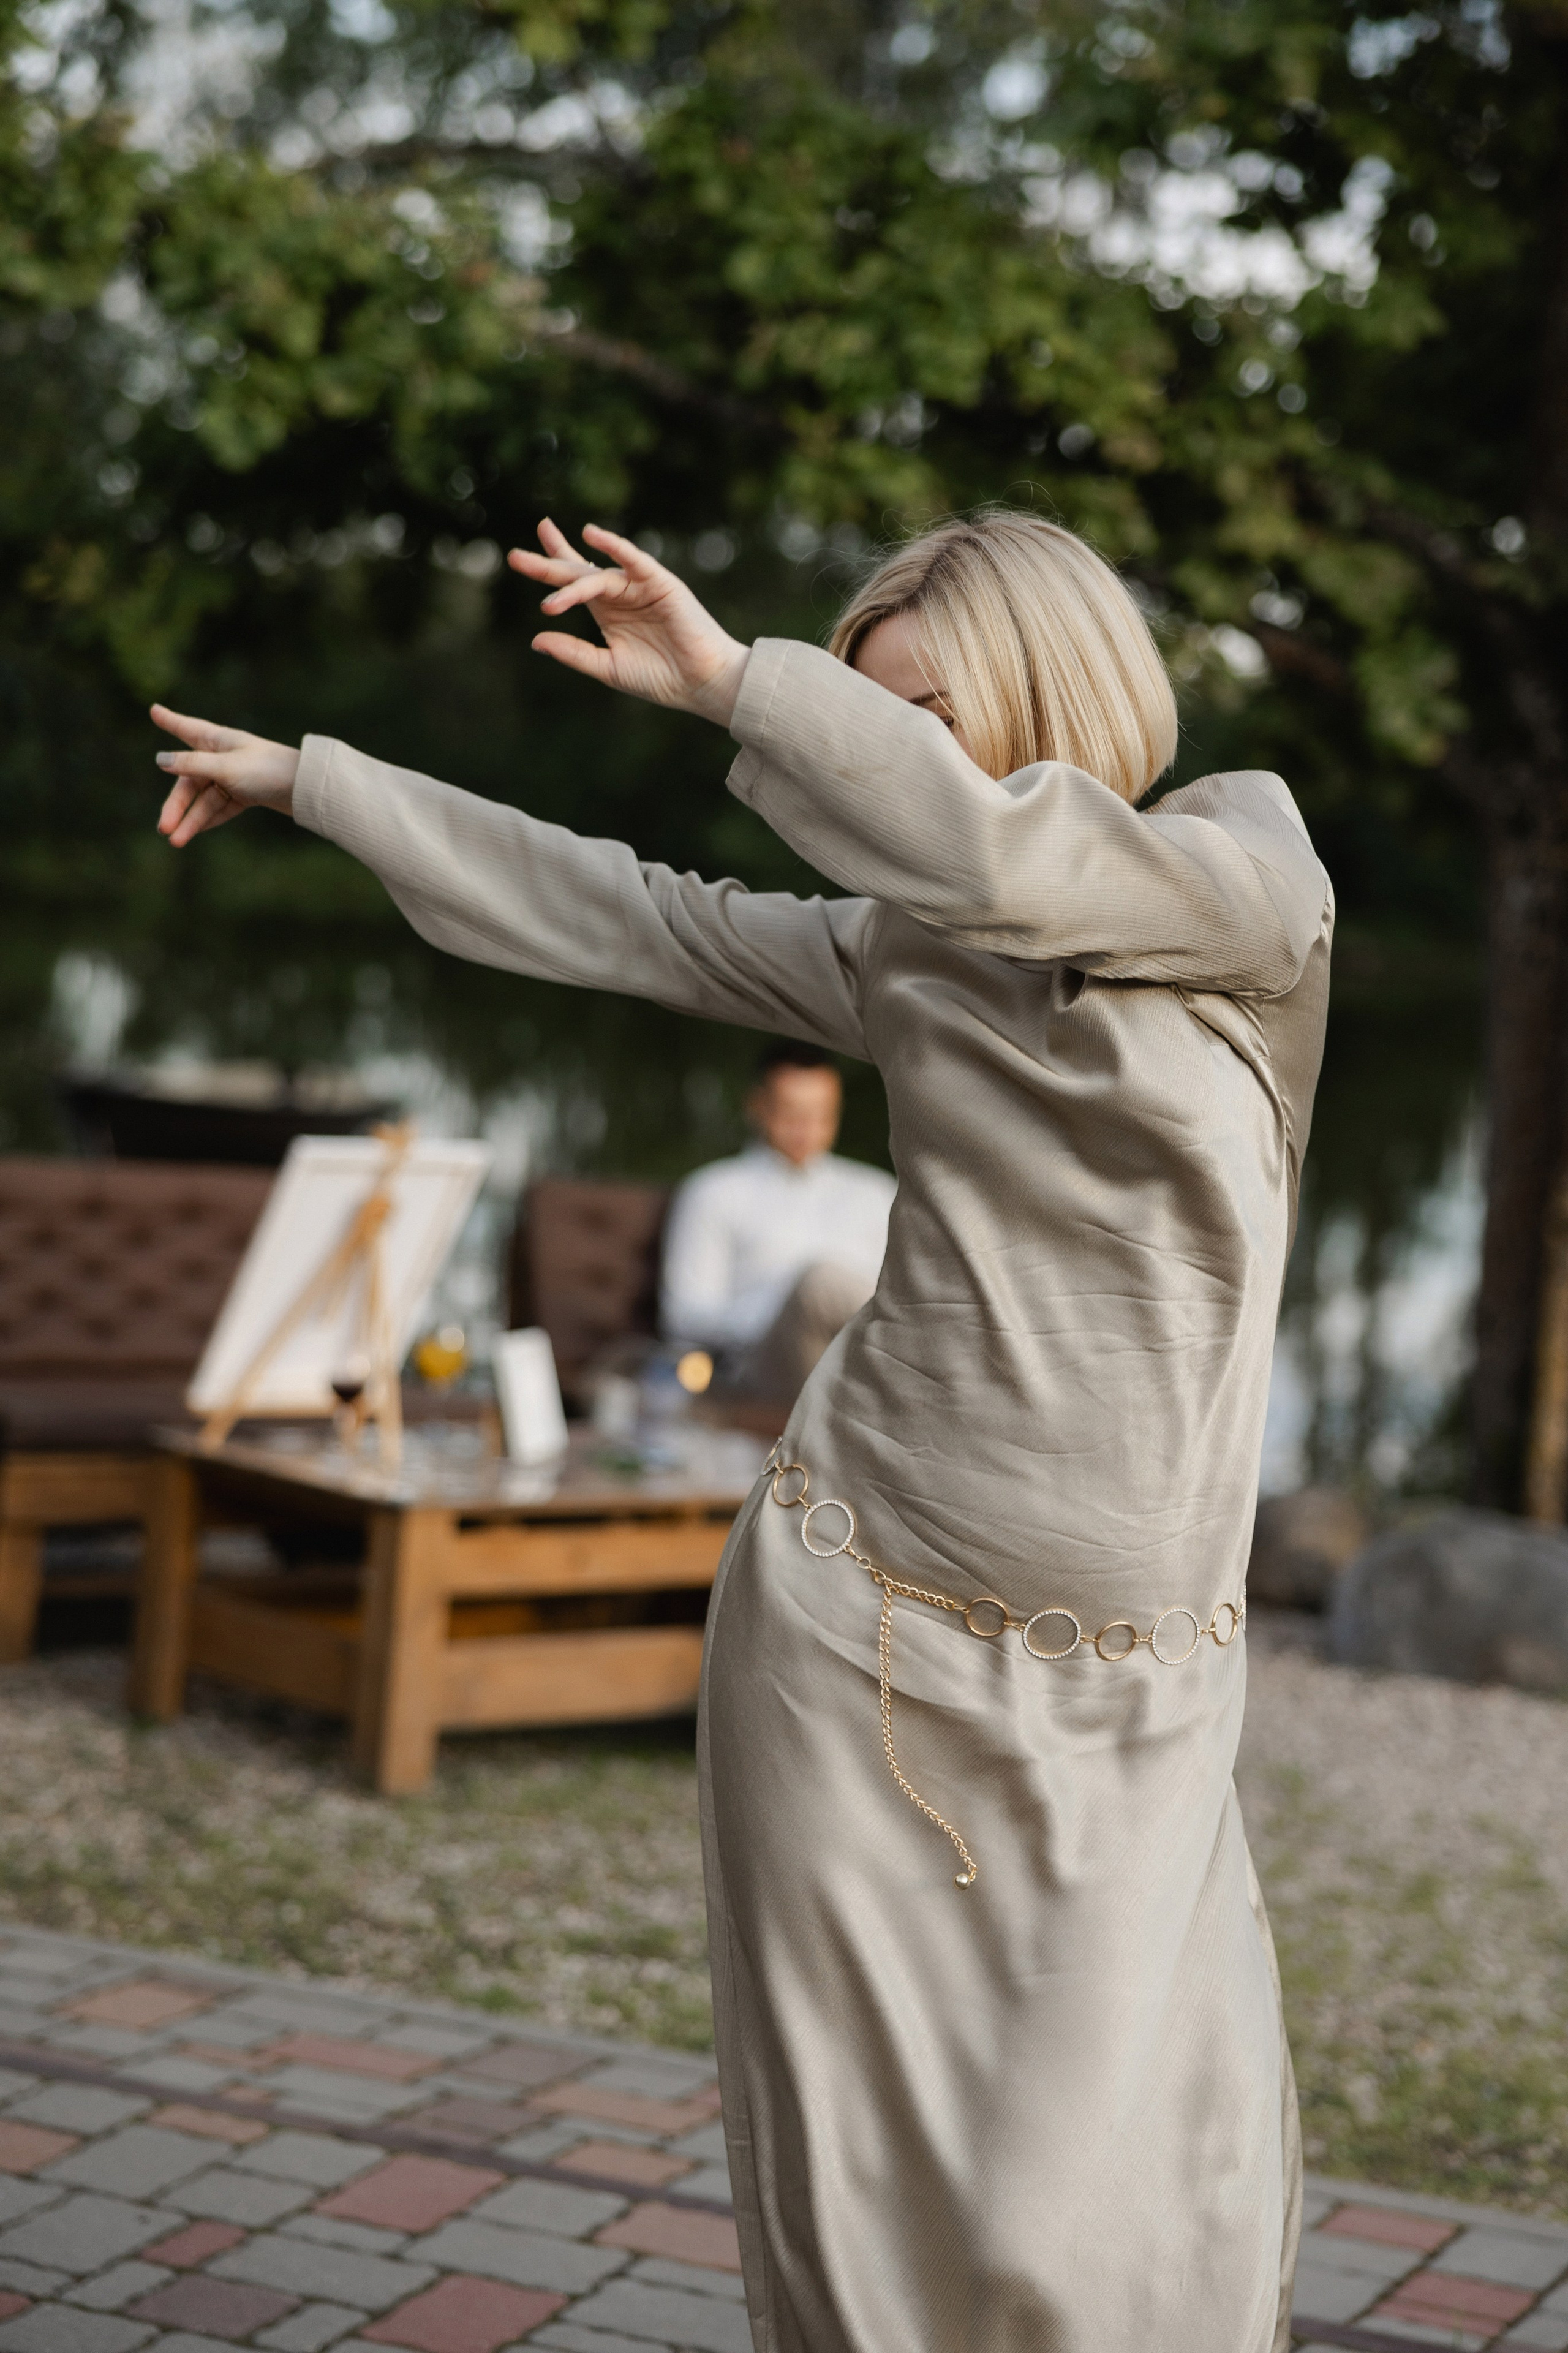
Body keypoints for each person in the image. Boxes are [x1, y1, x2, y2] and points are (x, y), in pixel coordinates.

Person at [151, 507, 1330, 2353]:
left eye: (923, 713)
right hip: (856, 1632)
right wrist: (326, 781)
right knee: (862, 2198)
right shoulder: (902, 951)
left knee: (1104, 2201)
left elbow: (1000, 851)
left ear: (1046, 684)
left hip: (1143, 1690)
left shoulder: (1247, 873)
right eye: (869, 723)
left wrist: (730, 685)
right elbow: (625, 911)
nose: (889, 769)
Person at [660, 1039, 895, 1400]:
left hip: (866, 1358)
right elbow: (685, 1317)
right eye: (792, 1113)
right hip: (759, 1366)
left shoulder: (876, 1192)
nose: (806, 1128)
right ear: (757, 1106)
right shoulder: (713, 1191)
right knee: (819, 1284)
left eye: (821, 1114)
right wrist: (779, 1309)